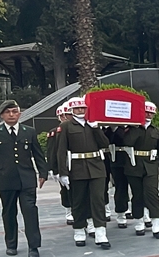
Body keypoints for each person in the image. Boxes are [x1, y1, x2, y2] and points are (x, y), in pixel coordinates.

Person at [0, 100, 48, 257]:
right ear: (2, 115)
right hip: (5, 179)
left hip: (27, 179)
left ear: (19, 113)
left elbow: (38, 154)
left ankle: (34, 246)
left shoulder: (29, 132)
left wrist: (43, 173)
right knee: (9, 213)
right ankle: (11, 244)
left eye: (14, 111)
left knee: (30, 211)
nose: (11, 115)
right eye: (8, 112)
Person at [55, 96, 112, 248]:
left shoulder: (92, 124)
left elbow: (104, 144)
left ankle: (101, 233)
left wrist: (96, 128)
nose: (81, 110)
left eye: (83, 108)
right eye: (77, 108)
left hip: (97, 166)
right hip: (77, 167)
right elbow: (61, 151)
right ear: (72, 110)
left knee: (98, 200)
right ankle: (79, 230)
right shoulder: (66, 126)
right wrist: (63, 173)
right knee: (79, 201)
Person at [119, 101, 159, 239]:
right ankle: (139, 222)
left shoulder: (156, 131)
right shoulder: (132, 129)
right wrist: (135, 126)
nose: (149, 115)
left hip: (151, 166)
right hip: (134, 166)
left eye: (151, 112)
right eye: (146, 112)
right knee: (138, 195)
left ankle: (157, 225)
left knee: (153, 195)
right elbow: (128, 142)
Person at [46, 102, 75, 224]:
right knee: (65, 190)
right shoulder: (55, 132)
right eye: (62, 116)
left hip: (76, 163)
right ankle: (69, 211)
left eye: (66, 115)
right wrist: (53, 169)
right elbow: (52, 151)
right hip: (63, 164)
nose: (64, 118)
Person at [107, 125, 133, 229]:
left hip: (132, 160)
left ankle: (142, 213)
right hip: (117, 160)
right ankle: (121, 213)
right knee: (121, 188)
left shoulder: (134, 128)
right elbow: (107, 141)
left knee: (138, 189)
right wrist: (114, 129)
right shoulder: (109, 129)